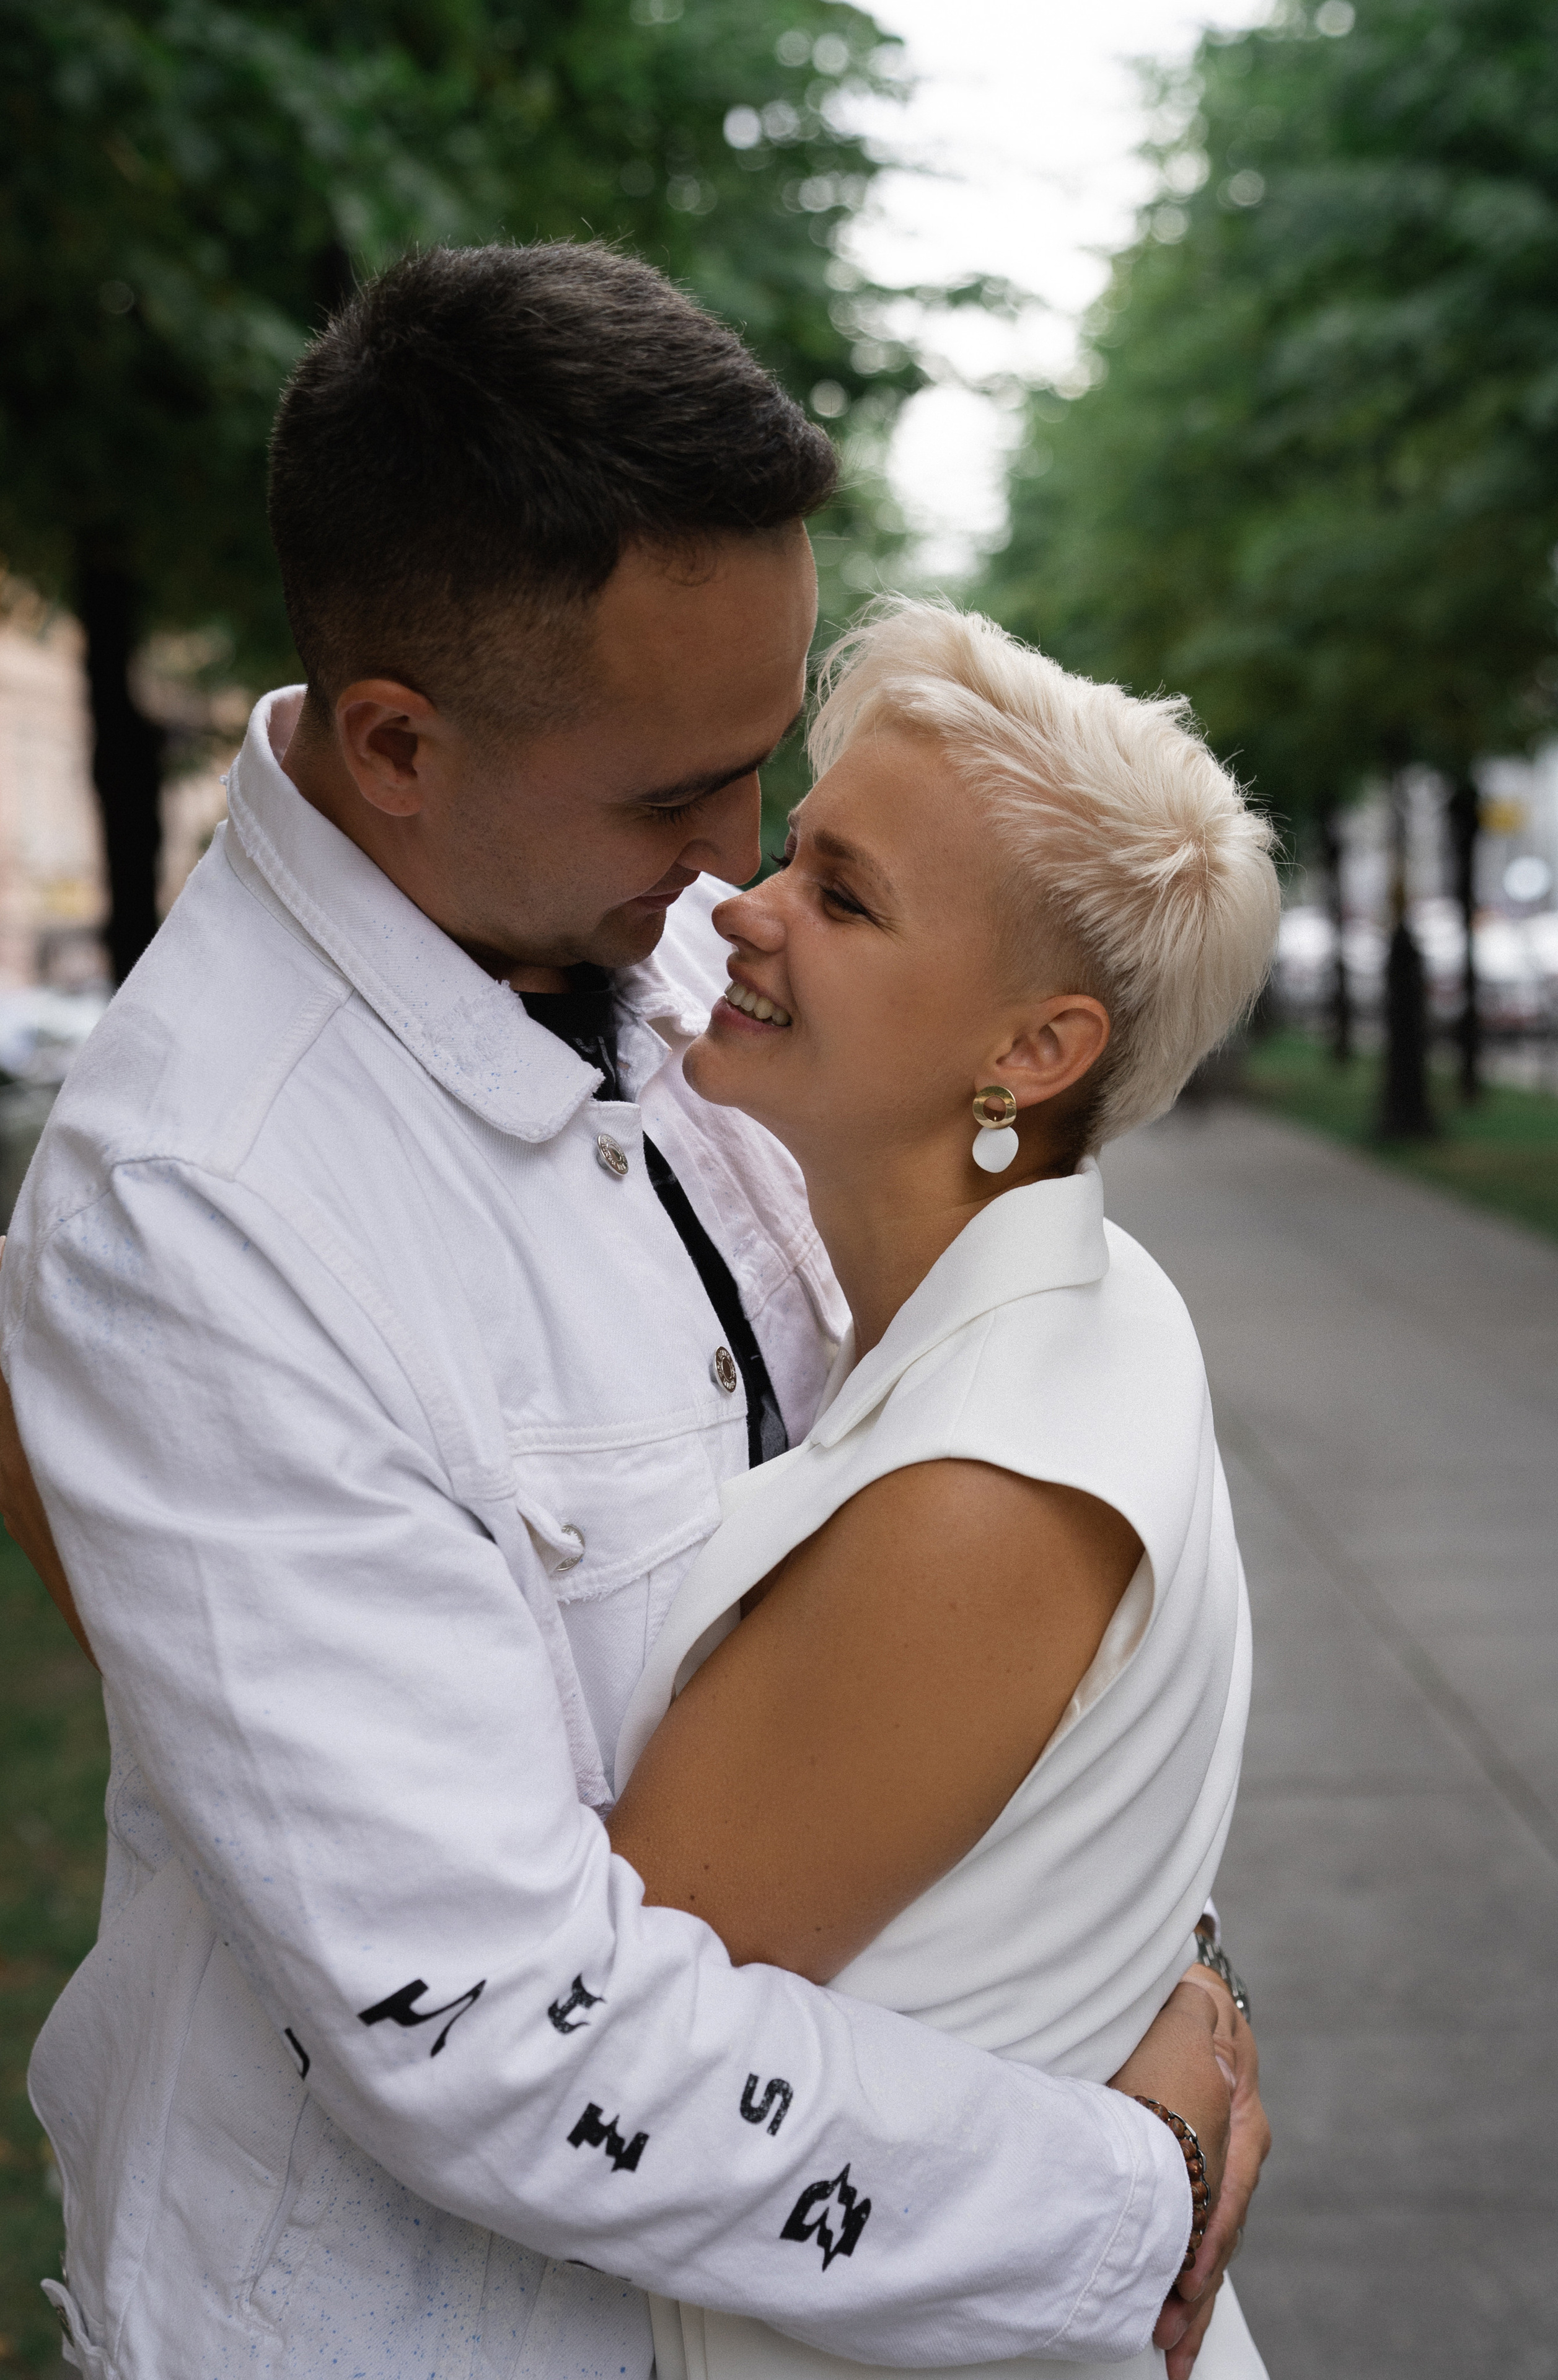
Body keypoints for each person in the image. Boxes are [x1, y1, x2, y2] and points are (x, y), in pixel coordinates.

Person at [0, 243, 1259, 2380]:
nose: (740, 861)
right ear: (399, 745)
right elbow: (492, 2034)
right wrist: (1118, 2191)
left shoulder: (658, 945)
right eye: (681, 791)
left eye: (765, 772)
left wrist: (1149, 1959)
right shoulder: (203, 1218)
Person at [603, 599, 1280, 2380]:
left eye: (840, 893)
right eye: (790, 848)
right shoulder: (1087, 1312)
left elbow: (592, 2031)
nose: (739, 907)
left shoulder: (981, 1488)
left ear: (1033, 1054)